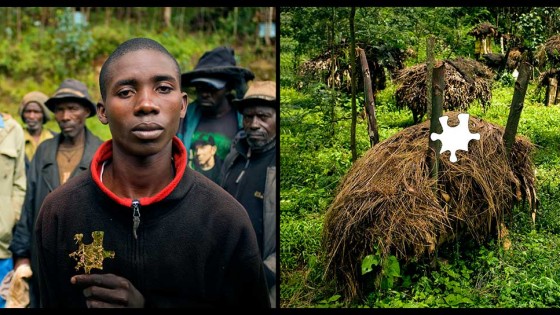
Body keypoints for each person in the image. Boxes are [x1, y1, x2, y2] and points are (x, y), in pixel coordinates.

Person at [35, 37, 270, 308]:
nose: (146, 104)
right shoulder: (60, 212)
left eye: (163, 88)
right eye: (125, 92)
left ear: (182, 105)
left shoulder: (225, 220)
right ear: (102, 111)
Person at [9, 78, 103, 308]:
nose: (65, 116)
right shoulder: (44, 151)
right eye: (60, 110)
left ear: (86, 112)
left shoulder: (101, 152)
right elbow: (28, 203)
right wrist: (21, 255)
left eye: (73, 108)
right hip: (42, 252)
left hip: (82, 254)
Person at [220, 80, 277, 308]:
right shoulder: (234, 157)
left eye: (263, 117)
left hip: (262, 281)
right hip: (226, 276)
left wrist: (266, 272)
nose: (254, 124)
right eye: (248, 117)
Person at [176, 46, 255, 178]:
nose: (205, 94)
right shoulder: (184, 117)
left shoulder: (244, 120)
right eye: (200, 87)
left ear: (229, 88)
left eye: (212, 88)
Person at [0, 112, 26, 308]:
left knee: (4, 299)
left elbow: (19, 183)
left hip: (2, 242)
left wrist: (10, 218)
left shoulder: (12, 130)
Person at [17, 91, 57, 173]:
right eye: (28, 111)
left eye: (36, 112)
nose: (31, 116)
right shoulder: (15, 138)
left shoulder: (55, 139)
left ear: (44, 115)